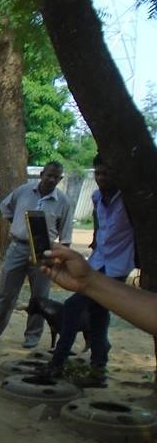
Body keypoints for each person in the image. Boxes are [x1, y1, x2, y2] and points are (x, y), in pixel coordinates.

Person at [42, 154, 136, 386]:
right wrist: (93, 246)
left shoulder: (129, 200)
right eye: (98, 173)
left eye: (107, 174)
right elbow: (99, 228)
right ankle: (98, 368)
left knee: (73, 306)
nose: (101, 178)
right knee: (98, 315)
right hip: (98, 261)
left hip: (118, 265)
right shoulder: (96, 198)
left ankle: (58, 362)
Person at [0, 161, 73, 348]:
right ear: (41, 174)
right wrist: (17, 224)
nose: (51, 179)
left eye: (56, 177)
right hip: (18, 248)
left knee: (40, 296)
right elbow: (6, 207)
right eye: (49, 175)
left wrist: (58, 259)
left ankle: (32, 336)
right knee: (6, 292)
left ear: (60, 179)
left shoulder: (63, 202)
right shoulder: (23, 191)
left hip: (44, 252)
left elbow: (66, 235)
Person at [42, 244, 157, 337]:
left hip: (116, 266)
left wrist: (87, 282)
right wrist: (87, 281)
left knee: (76, 307)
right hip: (101, 267)